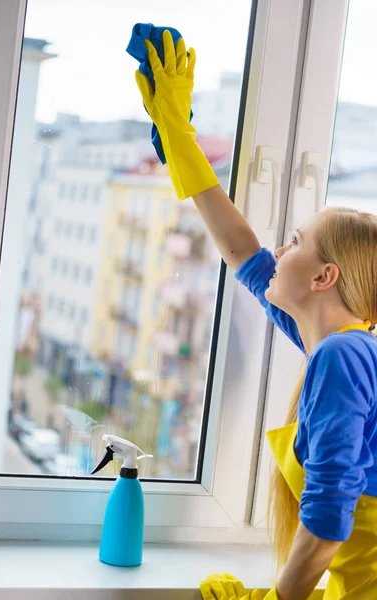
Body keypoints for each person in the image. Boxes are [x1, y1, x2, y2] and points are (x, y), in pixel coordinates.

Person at [135, 30, 377, 600]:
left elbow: (327, 520)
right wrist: (179, 139)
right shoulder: (345, 344)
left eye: (296, 241)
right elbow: (243, 252)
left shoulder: (345, 354)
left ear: (324, 278)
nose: (281, 250)